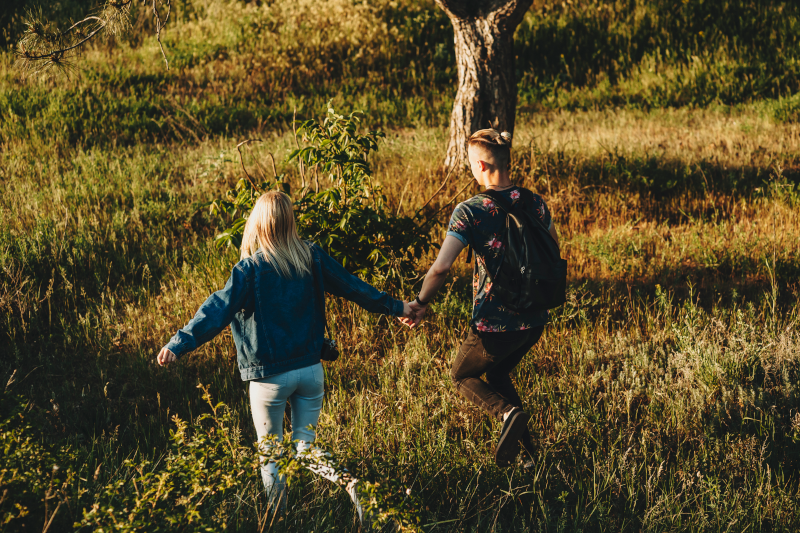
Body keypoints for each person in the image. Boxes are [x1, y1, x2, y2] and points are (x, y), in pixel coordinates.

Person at [156, 190, 417, 521]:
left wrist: (179, 344)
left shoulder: (249, 270)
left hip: (269, 378)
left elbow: (217, 309)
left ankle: (280, 521)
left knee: (271, 455)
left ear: (257, 224)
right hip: (310, 371)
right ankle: (353, 485)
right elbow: (354, 287)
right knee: (305, 446)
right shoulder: (312, 257)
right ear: (290, 222)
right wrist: (397, 307)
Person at [407, 129, 560, 467]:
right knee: (498, 375)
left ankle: (507, 414)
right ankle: (531, 459)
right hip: (534, 318)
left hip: (495, 322)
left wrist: (420, 303)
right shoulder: (535, 202)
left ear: (480, 165)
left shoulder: (471, 210)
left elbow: (440, 269)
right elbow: (554, 251)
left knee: (461, 375)